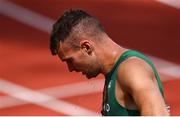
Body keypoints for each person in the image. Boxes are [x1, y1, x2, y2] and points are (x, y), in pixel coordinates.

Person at [50, 9, 169, 116]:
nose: (70, 69)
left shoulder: (131, 69)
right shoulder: (113, 73)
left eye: (70, 60)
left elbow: (158, 114)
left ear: (86, 47)